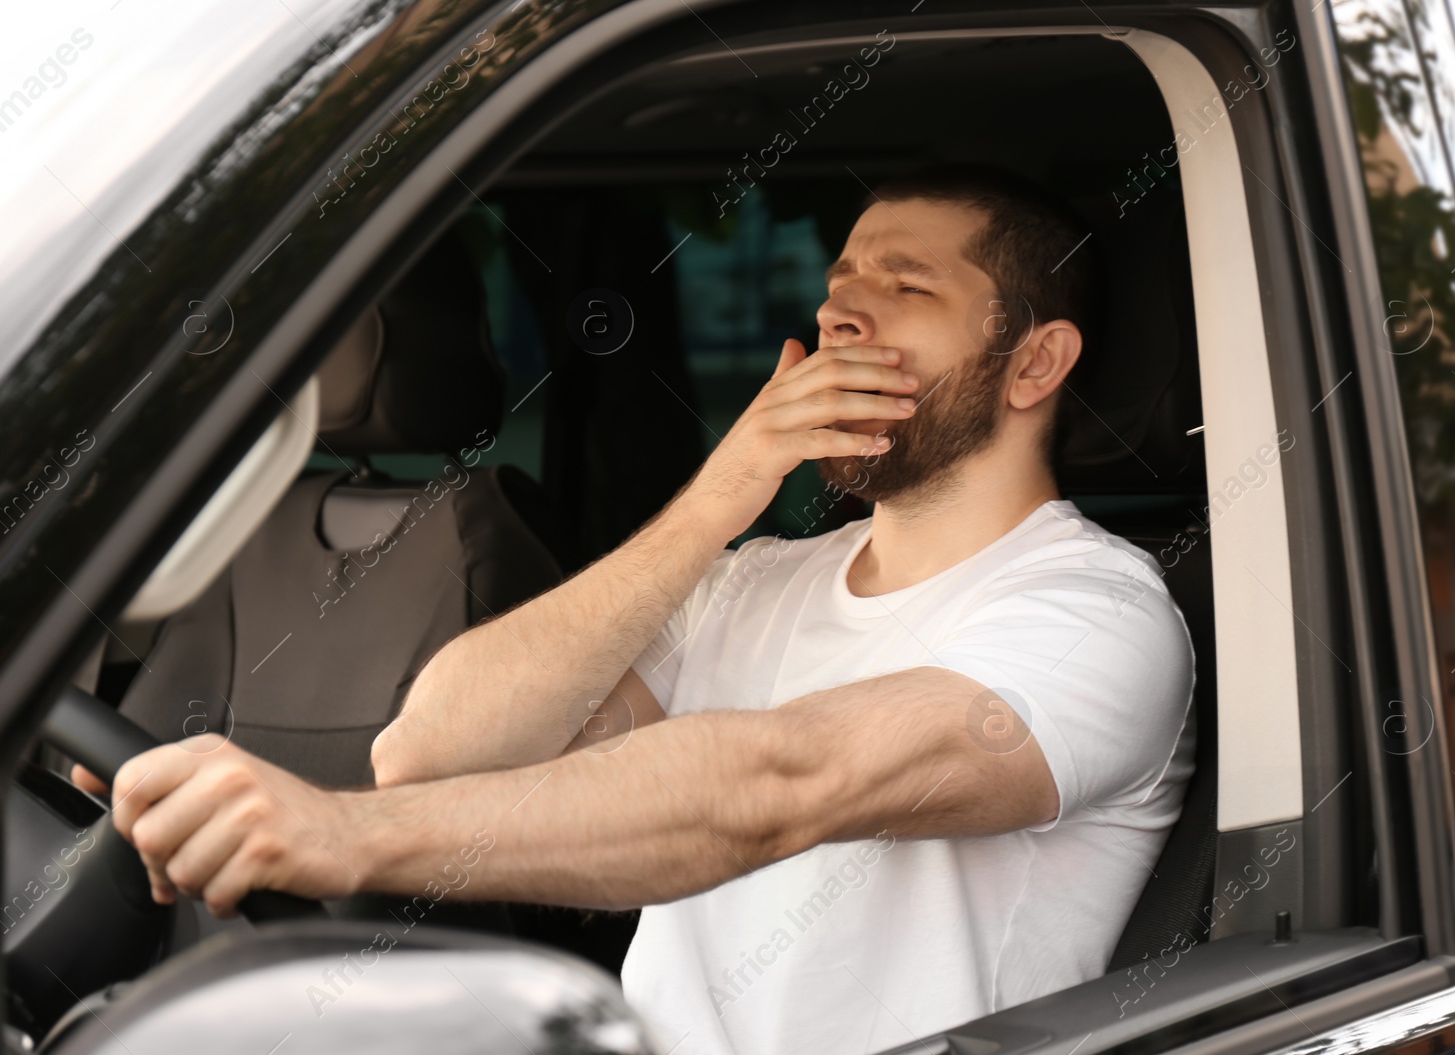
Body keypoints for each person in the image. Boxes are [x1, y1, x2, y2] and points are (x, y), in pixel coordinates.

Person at [89, 162, 1196, 1055]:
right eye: (839, 280)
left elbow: (780, 782)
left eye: (904, 285)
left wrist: (336, 836)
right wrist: (720, 494)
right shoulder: (751, 575)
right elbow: (431, 750)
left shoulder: (1094, 610)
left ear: (1034, 361)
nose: (839, 309)